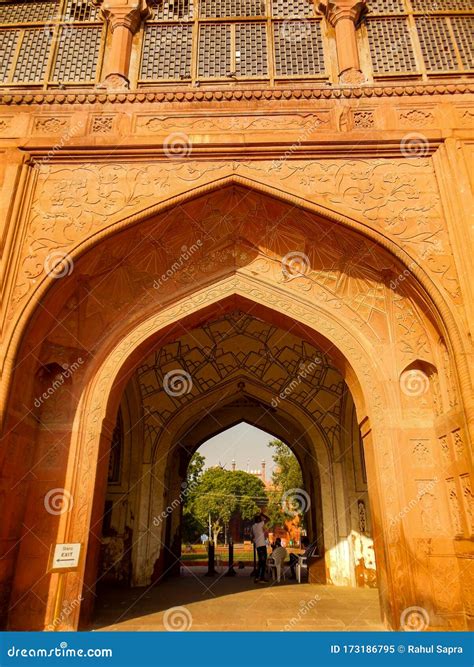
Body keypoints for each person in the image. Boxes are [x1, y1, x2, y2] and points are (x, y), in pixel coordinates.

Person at [251, 512, 269, 583]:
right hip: (262, 545)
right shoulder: (260, 524)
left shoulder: (253, 526)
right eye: (261, 519)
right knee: (263, 562)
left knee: (260, 562)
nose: (262, 519)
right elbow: (268, 519)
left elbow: (253, 536)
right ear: (259, 520)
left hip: (258, 545)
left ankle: (257, 577)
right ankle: (261, 578)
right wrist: (262, 514)